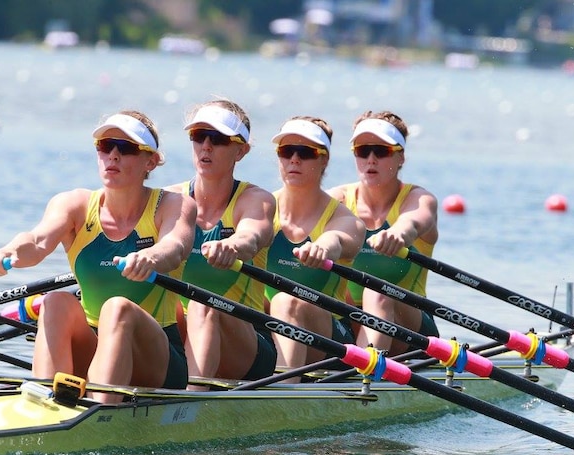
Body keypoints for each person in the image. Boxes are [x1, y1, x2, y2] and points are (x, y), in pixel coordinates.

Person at [0, 110, 196, 391]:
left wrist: (150, 257)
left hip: (158, 360)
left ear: (151, 162)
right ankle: (45, 399)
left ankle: (98, 409)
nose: (113, 156)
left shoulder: (174, 204)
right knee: (55, 301)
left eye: (127, 148)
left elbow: (175, 246)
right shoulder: (74, 204)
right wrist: (7, 251)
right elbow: (36, 241)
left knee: (117, 308)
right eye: (106, 146)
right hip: (94, 346)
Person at [165, 99, 277, 382]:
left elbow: (252, 235)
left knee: (204, 303)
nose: (206, 146)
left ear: (241, 150)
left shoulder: (256, 200)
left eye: (217, 139)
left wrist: (233, 246)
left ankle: (188, 405)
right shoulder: (167, 200)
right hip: (182, 331)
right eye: (198, 136)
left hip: (246, 346)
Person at [328, 110, 440, 355]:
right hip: (348, 320)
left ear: (400, 157)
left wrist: (398, 234)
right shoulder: (338, 200)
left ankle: (363, 377)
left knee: (378, 292)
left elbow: (413, 222)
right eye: (362, 150)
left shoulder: (419, 198)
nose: (370, 159)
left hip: (410, 330)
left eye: (381, 151)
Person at [265, 116, 366, 378]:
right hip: (266, 323)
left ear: (324, 160)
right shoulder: (260, 208)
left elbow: (340, 240)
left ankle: (283, 395)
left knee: (287, 302)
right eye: (287, 151)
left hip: (331, 341)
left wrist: (323, 246)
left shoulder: (345, 219)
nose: (294, 160)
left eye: (306, 153)